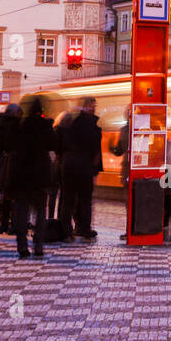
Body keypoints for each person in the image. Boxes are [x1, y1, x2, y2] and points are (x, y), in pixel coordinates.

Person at [8, 98, 54, 260]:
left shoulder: (20, 125)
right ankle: (39, 246)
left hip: (22, 174)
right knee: (40, 212)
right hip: (40, 175)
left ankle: (22, 247)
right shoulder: (45, 126)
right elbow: (53, 145)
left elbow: (11, 146)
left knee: (22, 212)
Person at [59, 98, 102, 240]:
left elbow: (60, 143)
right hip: (83, 166)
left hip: (69, 166)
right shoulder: (89, 124)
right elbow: (94, 146)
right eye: (91, 106)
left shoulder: (69, 122)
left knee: (69, 199)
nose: (93, 108)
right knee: (84, 199)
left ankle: (66, 230)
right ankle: (84, 228)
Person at [0, 104, 22, 234]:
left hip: (2, 164)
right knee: (15, 196)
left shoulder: (0, 126)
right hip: (14, 164)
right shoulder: (17, 127)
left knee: (4, 196)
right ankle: (13, 224)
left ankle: (3, 223)